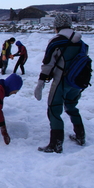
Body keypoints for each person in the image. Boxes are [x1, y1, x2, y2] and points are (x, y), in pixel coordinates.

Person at [34, 13, 86, 153]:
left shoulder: (56, 42)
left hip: (61, 81)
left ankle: (56, 144)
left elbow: (47, 64)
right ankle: (80, 136)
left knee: (54, 109)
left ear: (56, 26)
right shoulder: (80, 42)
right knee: (71, 107)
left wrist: (40, 83)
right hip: (77, 82)